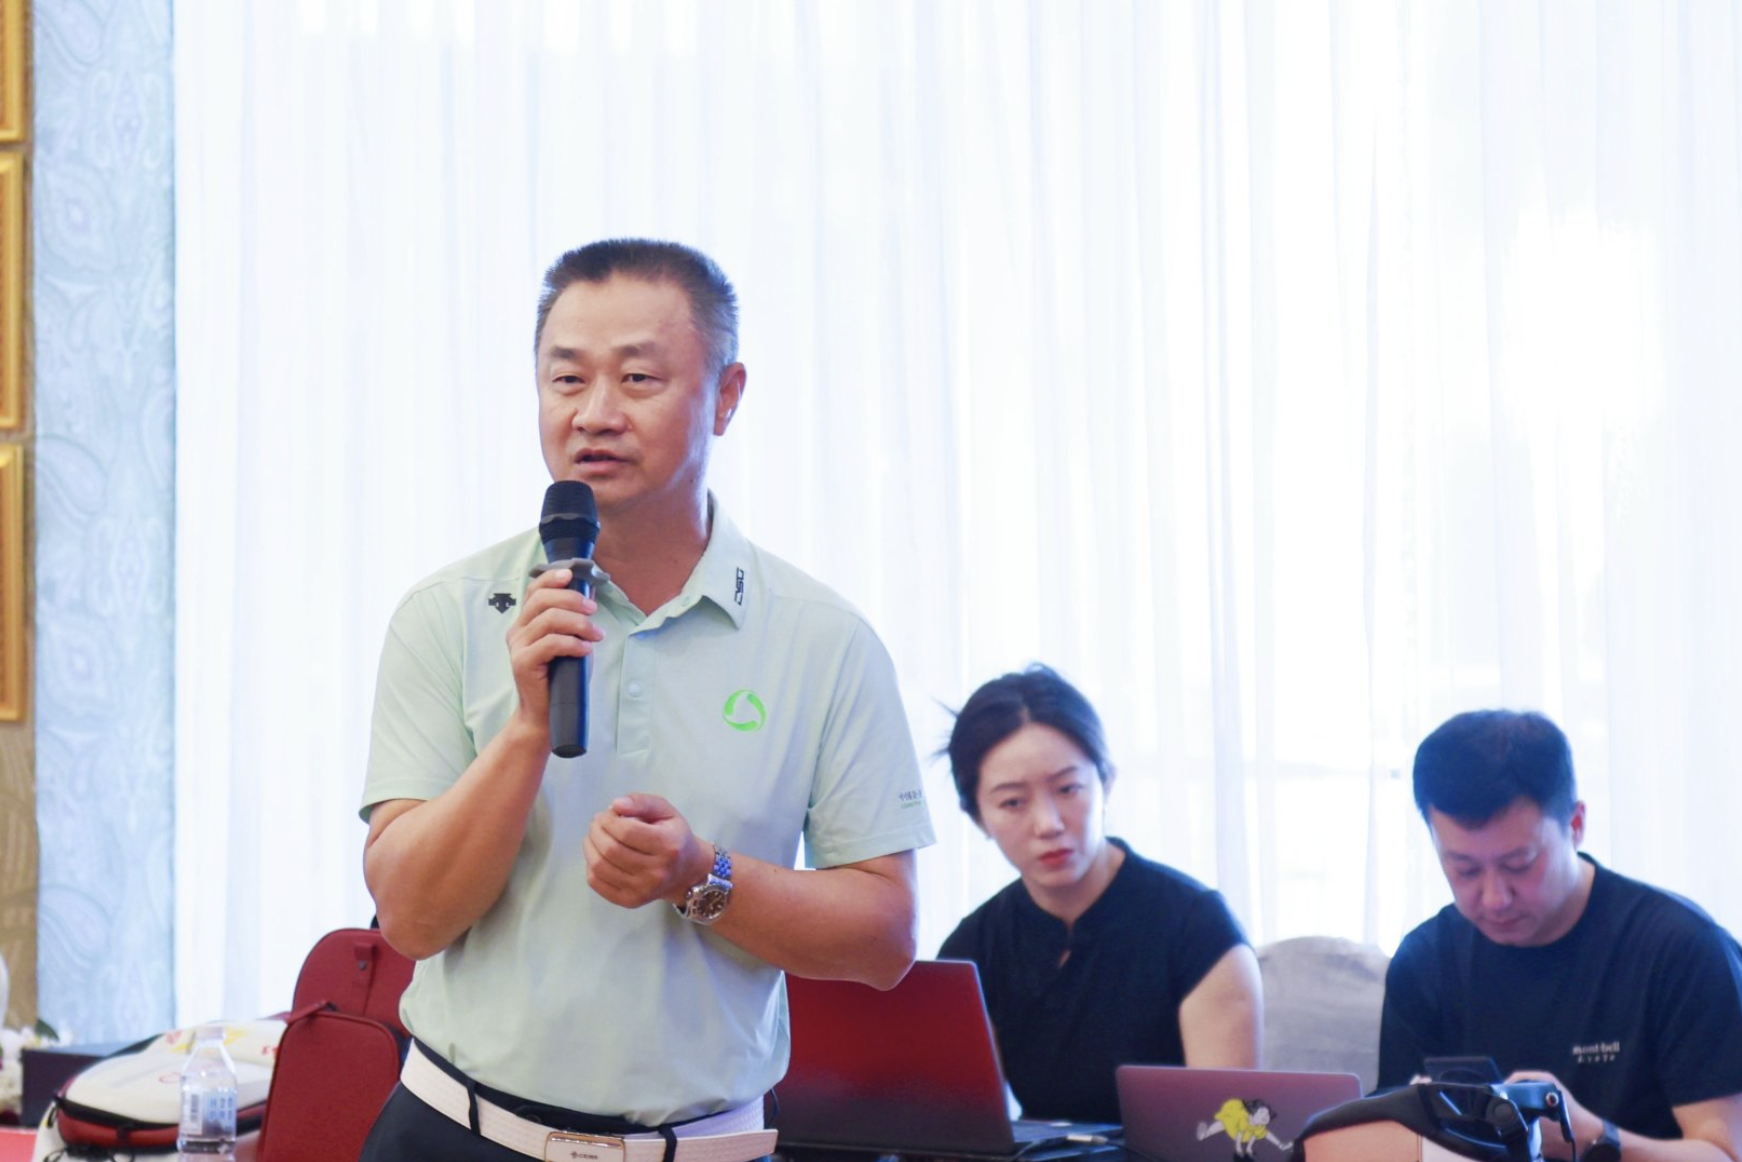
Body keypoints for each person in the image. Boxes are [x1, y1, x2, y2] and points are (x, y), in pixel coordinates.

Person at [357, 239, 936, 1161]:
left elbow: (883, 939)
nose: (594, 414)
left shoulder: (824, 641)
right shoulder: (448, 613)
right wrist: (528, 729)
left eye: (637, 378)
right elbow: (412, 919)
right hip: (457, 1134)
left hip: (702, 1146)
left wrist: (699, 875)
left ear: (727, 395)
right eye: (566, 379)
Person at [1379, 710, 1742, 1162]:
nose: (1495, 898)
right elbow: (1389, 1144)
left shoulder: (1682, 951)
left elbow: (1726, 1154)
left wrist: (1592, 1138)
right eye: (1464, 869)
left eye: (1519, 864)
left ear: (1575, 824)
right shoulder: (1424, 962)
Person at [937, 664, 1261, 1125]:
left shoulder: (1198, 929)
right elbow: (962, 1132)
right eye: (1013, 802)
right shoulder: (973, 948)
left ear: (1106, 781)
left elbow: (1226, 1138)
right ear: (977, 817)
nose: (1048, 823)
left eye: (1068, 788)